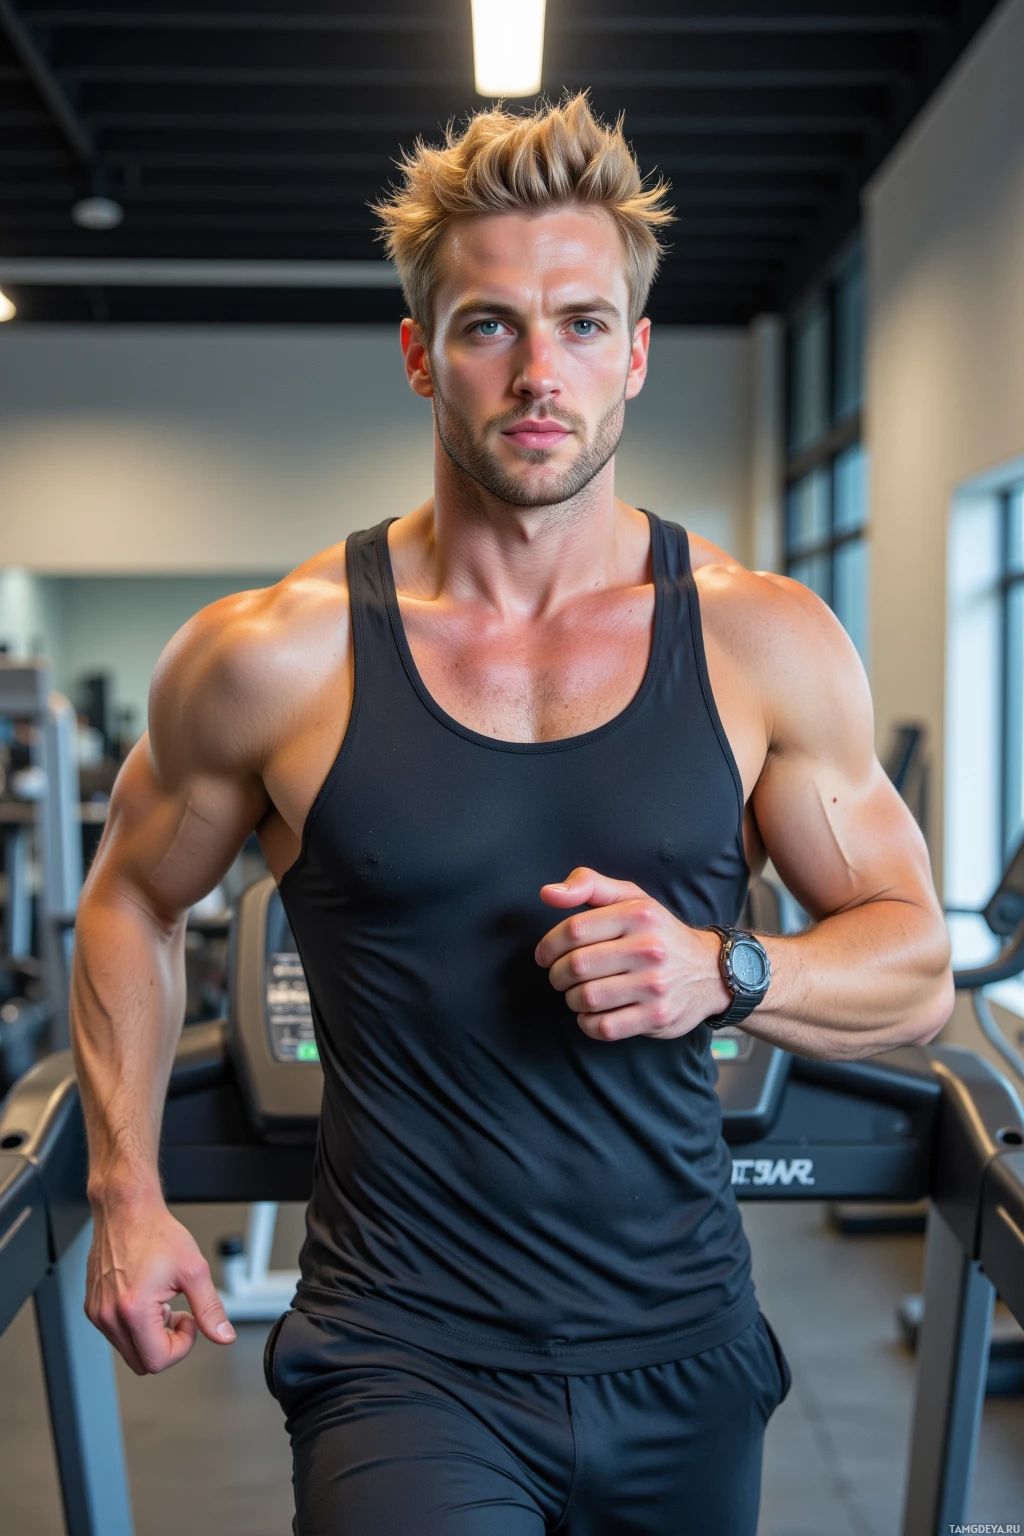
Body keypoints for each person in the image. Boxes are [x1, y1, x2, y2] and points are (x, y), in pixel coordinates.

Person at [71, 95, 953, 1536]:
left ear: (639, 355)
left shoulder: (761, 642)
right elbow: (129, 897)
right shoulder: (271, 655)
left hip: (685, 1348)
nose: (541, 371)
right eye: (490, 326)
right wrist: (126, 1190)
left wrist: (725, 971)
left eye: (583, 324)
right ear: (422, 355)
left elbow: (914, 962)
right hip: (404, 1360)